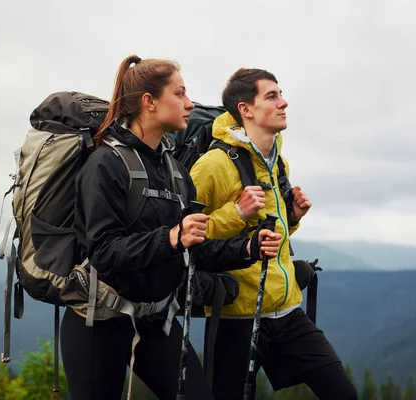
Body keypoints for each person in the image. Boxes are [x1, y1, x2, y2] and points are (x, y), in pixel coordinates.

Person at [60, 55, 282, 400]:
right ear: (149, 102)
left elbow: (192, 248)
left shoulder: (175, 171)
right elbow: (104, 252)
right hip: (99, 321)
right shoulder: (105, 164)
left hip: (157, 319)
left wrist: (247, 249)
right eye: (179, 93)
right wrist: (171, 237)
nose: (190, 103)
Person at [190, 68, 358, 400]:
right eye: (272, 96)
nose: (284, 102)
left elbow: (270, 230)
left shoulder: (277, 161)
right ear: (245, 109)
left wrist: (292, 218)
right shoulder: (213, 166)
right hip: (236, 315)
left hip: (287, 308)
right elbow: (186, 237)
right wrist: (235, 213)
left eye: (280, 94)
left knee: (343, 394)